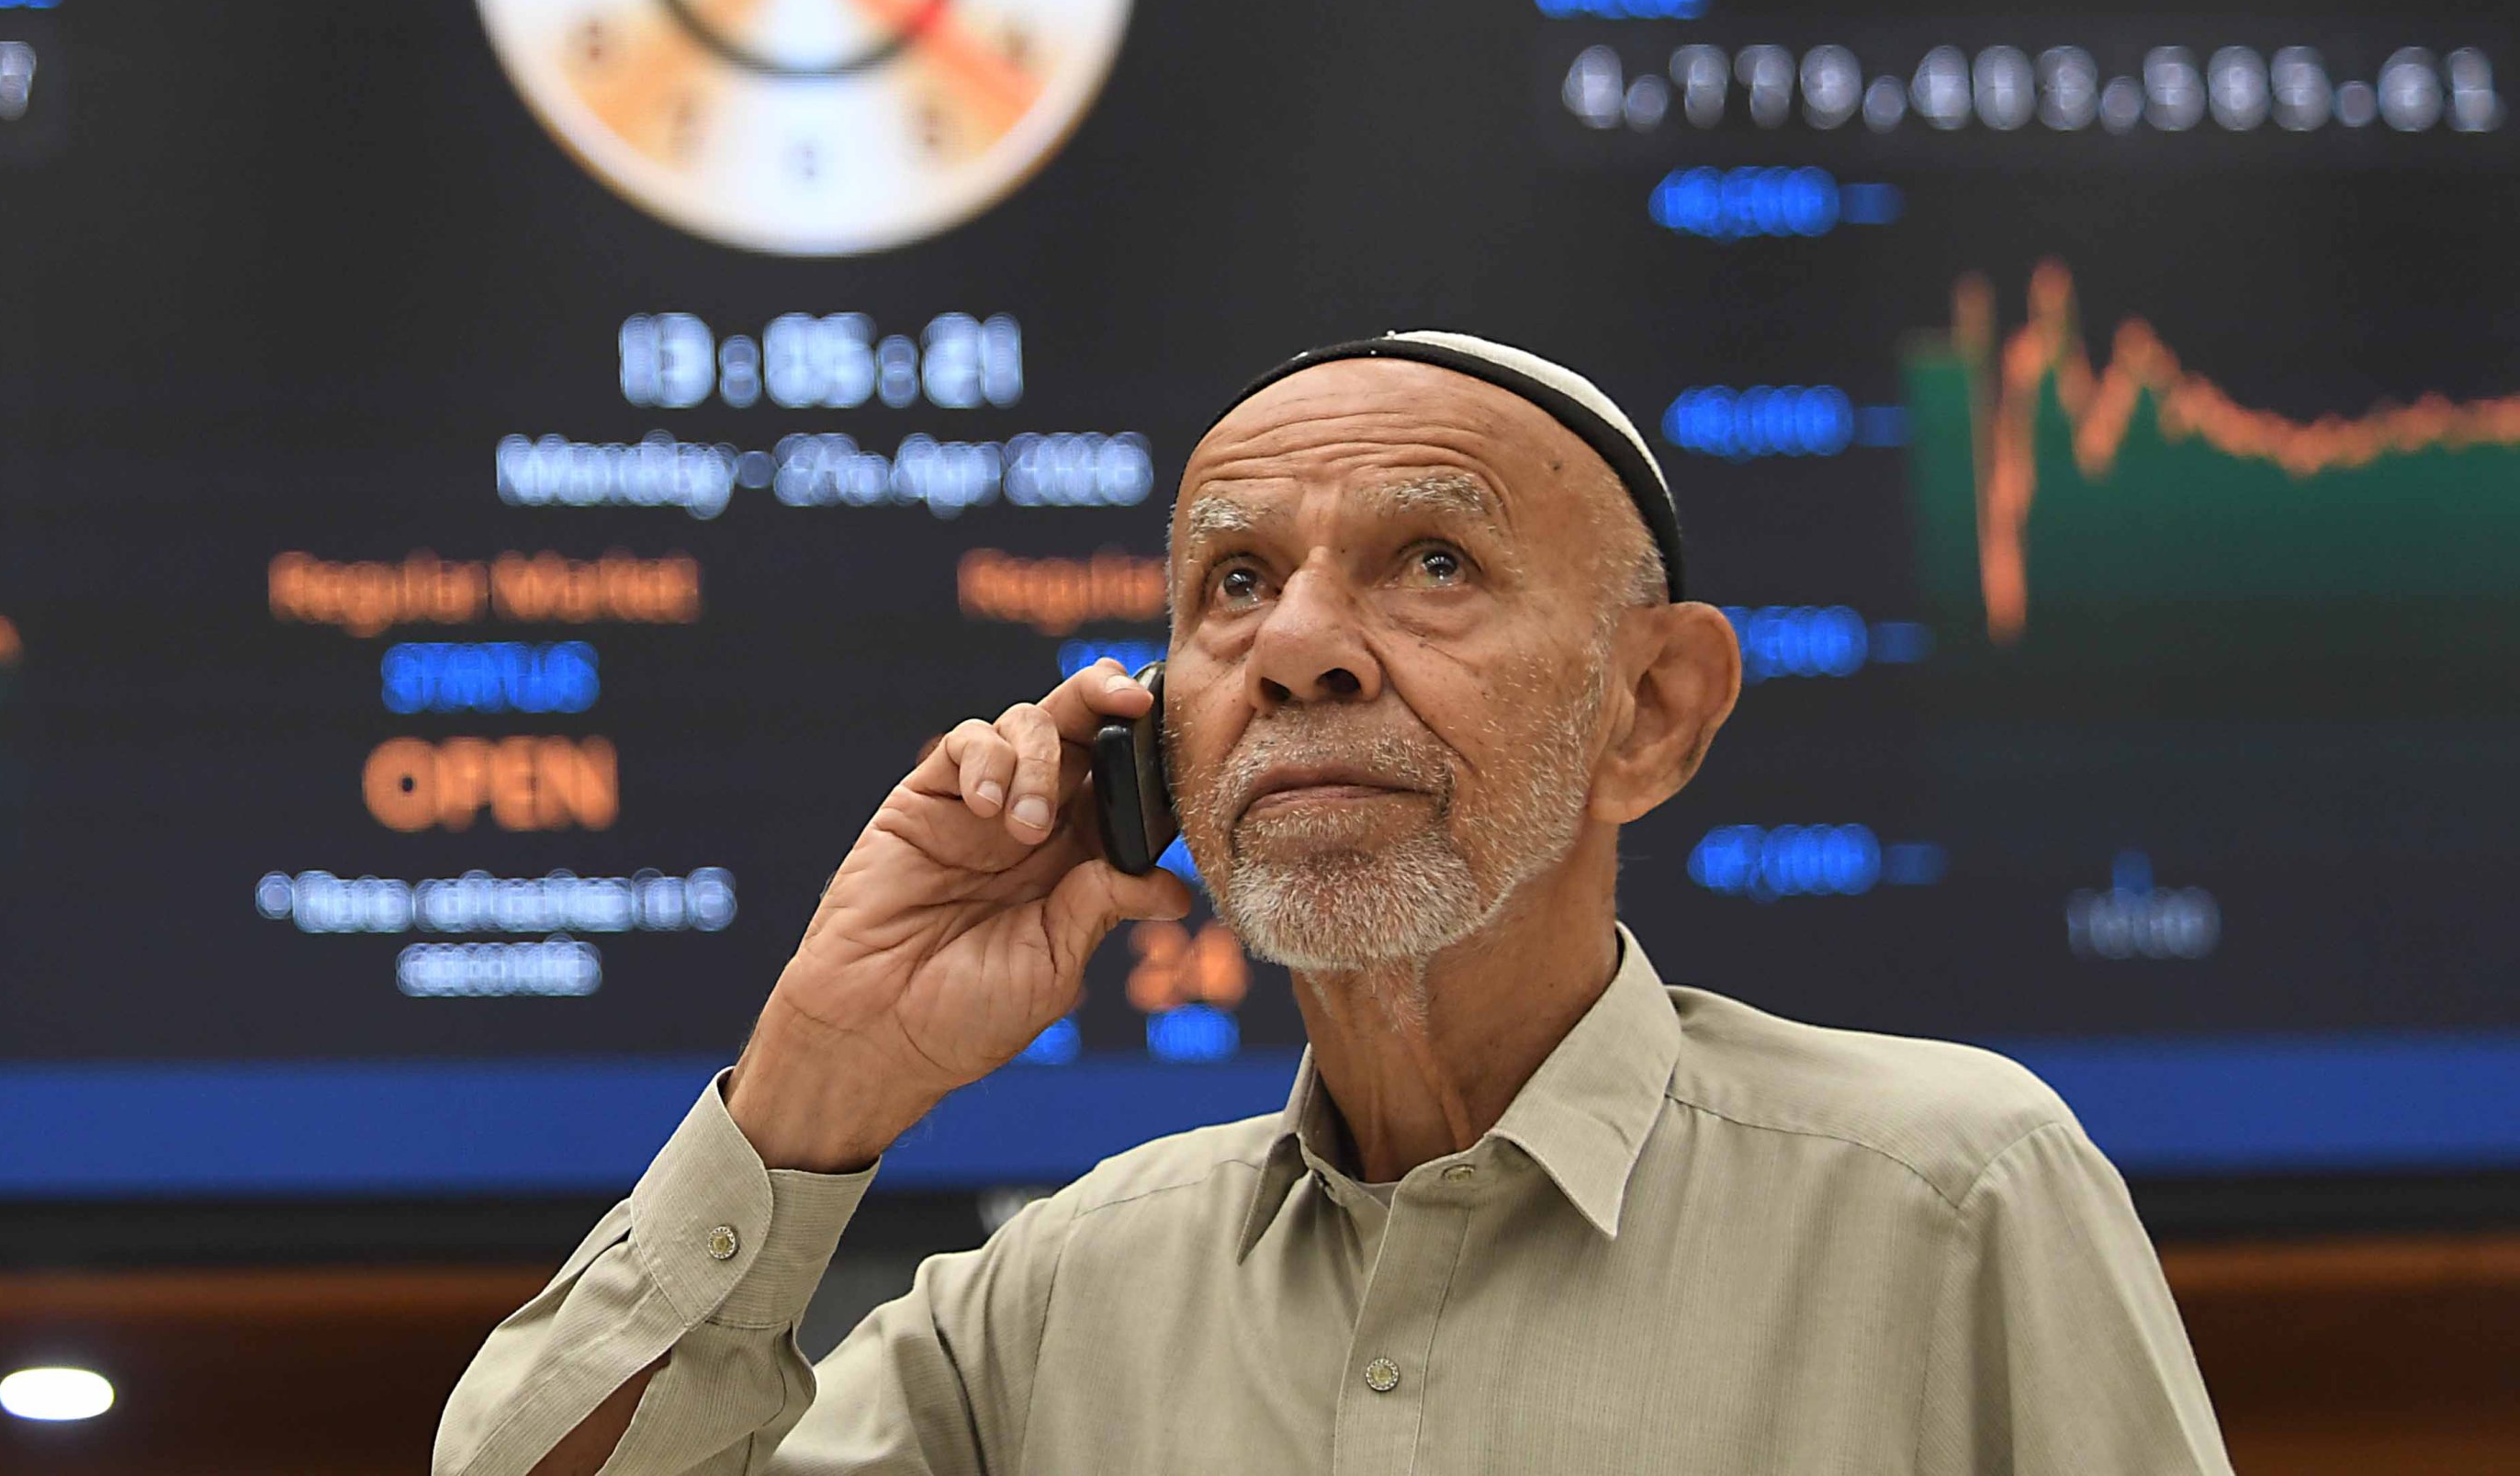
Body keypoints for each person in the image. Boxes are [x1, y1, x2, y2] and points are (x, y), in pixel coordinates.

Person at [435, 333, 2232, 1474]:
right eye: (1229, 581)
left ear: (1650, 707)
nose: (1293, 648)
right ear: (1157, 739)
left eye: (1428, 560)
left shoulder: (1944, 1196)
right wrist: (814, 1081)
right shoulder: (1059, 1299)